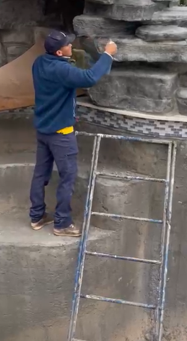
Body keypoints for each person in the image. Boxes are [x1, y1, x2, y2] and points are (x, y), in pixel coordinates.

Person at [29, 30, 117, 237]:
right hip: (61, 134)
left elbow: (68, 69)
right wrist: (108, 54)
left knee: (40, 174)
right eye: (68, 45)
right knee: (67, 177)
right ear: (59, 53)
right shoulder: (62, 71)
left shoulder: (40, 63)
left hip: (43, 129)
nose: (71, 45)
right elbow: (89, 77)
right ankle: (62, 223)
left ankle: (36, 216)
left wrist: (77, 53)